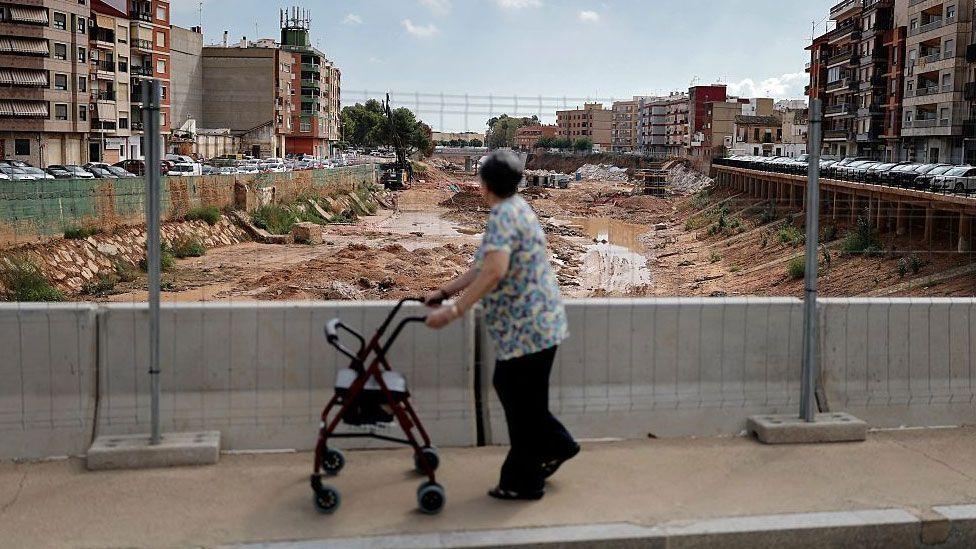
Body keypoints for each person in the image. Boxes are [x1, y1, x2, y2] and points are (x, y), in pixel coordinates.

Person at [425, 149, 579, 500]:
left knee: (518, 399)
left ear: (484, 184)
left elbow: (494, 270)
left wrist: (454, 311)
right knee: (524, 399)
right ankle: (558, 446)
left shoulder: (502, 217)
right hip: (538, 326)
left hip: (528, 328)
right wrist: (445, 290)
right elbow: (482, 266)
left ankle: (524, 480)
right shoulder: (517, 209)